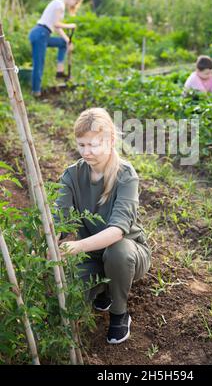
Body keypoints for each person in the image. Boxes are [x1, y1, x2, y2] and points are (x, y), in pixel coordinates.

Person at [54, 108, 151, 345]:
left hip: (128, 253)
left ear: (111, 141)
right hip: (90, 254)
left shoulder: (125, 175)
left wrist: (75, 247)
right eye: (82, 145)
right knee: (71, 302)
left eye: (94, 145)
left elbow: (117, 230)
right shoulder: (71, 175)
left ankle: (119, 312)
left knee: (117, 251)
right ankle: (102, 288)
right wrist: (52, 244)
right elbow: (60, 221)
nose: (87, 152)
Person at [29, 0, 84, 97]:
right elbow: (56, 24)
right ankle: (36, 92)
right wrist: (70, 26)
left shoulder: (59, 3)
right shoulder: (59, 5)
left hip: (43, 34)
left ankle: (60, 71)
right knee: (39, 64)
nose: (74, 5)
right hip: (40, 34)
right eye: (75, 2)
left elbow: (56, 28)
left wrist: (68, 41)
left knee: (62, 43)